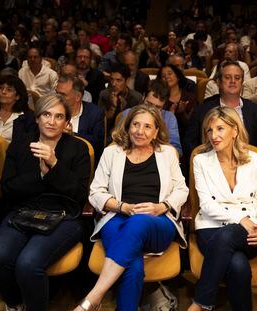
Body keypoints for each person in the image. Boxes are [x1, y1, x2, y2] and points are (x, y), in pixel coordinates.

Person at [74, 104, 188, 311]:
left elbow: (182, 190)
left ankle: (94, 296)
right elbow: (95, 192)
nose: (139, 131)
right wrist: (121, 206)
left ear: (156, 132)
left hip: (157, 222)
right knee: (133, 267)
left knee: (138, 222)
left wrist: (161, 206)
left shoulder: (168, 153)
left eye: (147, 126)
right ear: (127, 127)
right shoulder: (111, 153)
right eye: (135, 124)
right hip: (116, 218)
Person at [0, 94, 90, 311]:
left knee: (28, 263)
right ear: (37, 118)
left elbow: (79, 194)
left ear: (66, 122)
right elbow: (8, 187)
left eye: (59, 116)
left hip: (63, 216)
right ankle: (15, 304)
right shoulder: (20, 145)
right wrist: (42, 176)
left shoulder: (77, 148)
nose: (52, 122)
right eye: (46, 115)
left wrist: (53, 165)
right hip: (22, 211)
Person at [189, 107, 257, 311]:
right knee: (238, 265)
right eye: (209, 130)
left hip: (251, 232)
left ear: (235, 130)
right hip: (211, 227)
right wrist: (241, 219)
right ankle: (204, 304)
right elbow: (207, 206)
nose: (214, 136)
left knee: (229, 237)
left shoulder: (255, 160)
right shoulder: (200, 160)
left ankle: (200, 303)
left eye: (220, 129)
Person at [184, 60, 257, 173]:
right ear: (218, 82)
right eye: (228, 77)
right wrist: (202, 163)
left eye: (237, 78)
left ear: (242, 82)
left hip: (250, 167)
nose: (233, 81)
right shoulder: (202, 110)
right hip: (214, 168)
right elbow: (189, 142)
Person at [56, 74, 105, 161]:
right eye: (57, 93)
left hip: (81, 162)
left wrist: (72, 135)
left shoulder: (95, 113)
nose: (57, 98)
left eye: (63, 95)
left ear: (78, 97)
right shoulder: (51, 110)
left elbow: (97, 144)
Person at [98, 63, 142, 138]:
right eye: (111, 79)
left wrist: (124, 108)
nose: (114, 84)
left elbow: (138, 122)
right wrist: (112, 108)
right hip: (108, 134)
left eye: (118, 80)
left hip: (131, 135)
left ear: (127, 81)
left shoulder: (136, 98)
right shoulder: (104, 95)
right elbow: (100, 123)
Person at [157, 64, 198, 140]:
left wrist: (182, 113)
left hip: (186, 138)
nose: (166, 77)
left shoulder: (190, 97)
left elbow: (194, 126)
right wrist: (169, 115)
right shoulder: (158, 99)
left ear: (178, 77)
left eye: (169, 73)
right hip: (164, 138)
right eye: (163, 76)